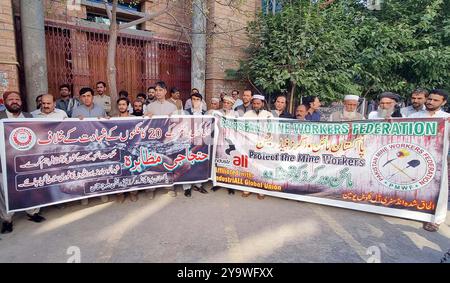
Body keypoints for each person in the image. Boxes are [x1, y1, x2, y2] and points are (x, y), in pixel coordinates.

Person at [0, 91, 45, 234]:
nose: (14, 101)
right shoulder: (0, 118)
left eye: (17, 99)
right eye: (11, 99)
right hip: (4, 163)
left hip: (26, 162)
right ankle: (7, 220)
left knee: (29, 187)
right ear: (5, 101)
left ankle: (32, 213)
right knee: (5, 193)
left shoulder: (28, 116)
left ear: (21, 101)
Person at [409, 89, 450, 232]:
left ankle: (436, 220)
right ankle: (418, 213)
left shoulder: (447, 118)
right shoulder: (416, 116)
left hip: (438, 159)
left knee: (439, 189)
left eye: (435, 100)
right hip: (416, 157)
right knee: (416, 185)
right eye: (430, 99)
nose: (430, 102)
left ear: (443, 102)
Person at [180, 92, 209, 197]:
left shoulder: (206, 114)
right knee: (187, 164)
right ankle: (187, 187)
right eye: (193, 99)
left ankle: (198, 184)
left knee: (199, 164)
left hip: (201, 143)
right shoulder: (185, 112)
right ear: (190, 101)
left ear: (201, 101)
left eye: (197, 99)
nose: (195, 101)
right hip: (188, 142)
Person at [114, 97, 140, 203]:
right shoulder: (113, 118)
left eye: (123, 104)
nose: (121, 106)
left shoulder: (134, 118)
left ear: (127, 106)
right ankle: (120, 193)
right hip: (119, 149)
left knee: (132, 170)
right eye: (119, 104)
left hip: (131, 149)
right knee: (119, 171)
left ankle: (133, 192)